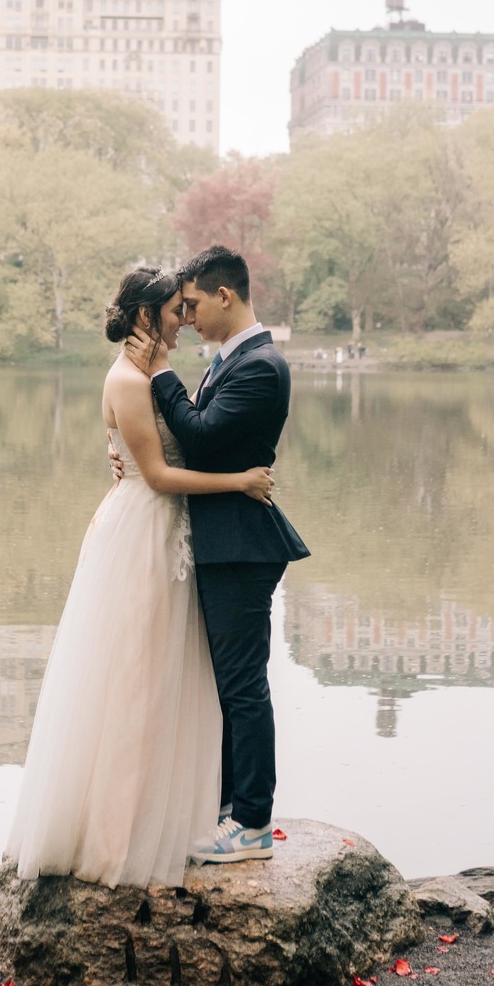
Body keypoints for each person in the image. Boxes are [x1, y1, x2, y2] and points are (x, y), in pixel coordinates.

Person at [5, 266, 275, 890]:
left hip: (170, 536)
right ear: (145, 316)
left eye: (189, 307)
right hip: (143, 534)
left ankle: (171, 818)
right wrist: (240, 482)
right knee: (132, 681)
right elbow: (154, 475)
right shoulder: (128, 381)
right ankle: (116, 838)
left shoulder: (153, 378)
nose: (186, 319)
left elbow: (188, 435)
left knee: (165, 679)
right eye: (176, 311)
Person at [125, 245, 310, 864]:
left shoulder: (260, 365)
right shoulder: (233, 359)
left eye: (194, 304)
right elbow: (198, 433)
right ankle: (233, 807)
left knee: (243, 685)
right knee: (231, 684)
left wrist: (158, 377)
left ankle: (253, 822)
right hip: (222, 539)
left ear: (224, 295)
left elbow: (201, 436)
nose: (189, 317)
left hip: (239, 545)